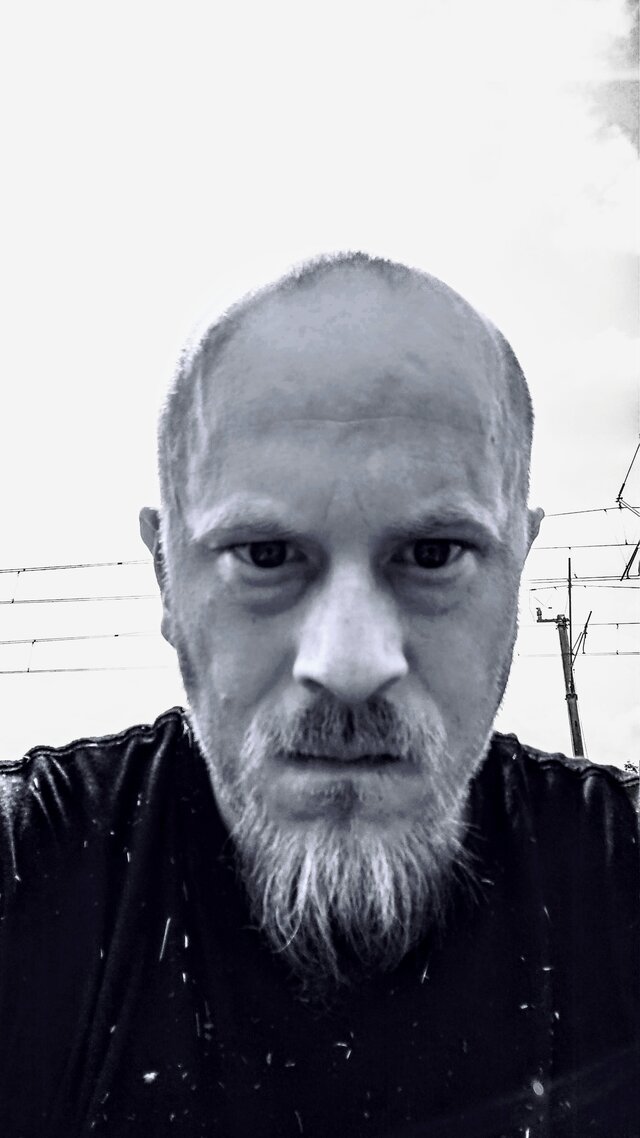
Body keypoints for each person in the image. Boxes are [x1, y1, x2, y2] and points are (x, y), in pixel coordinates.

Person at [0, 253, 637, 1138]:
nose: (348, 665)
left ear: (518, 565)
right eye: (265, 556)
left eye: (432, 555)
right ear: (165, 573)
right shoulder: (32, 872)